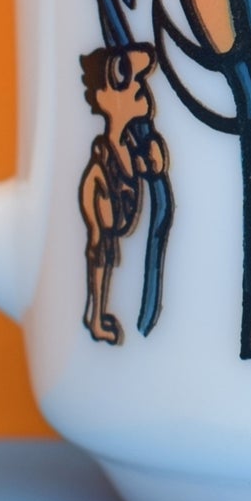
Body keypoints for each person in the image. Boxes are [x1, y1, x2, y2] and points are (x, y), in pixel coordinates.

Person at [78, 44, 167, 344]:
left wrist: (152, 160)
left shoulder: (130, 145)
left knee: (107, 248)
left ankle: (98, 316)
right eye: (123, 79)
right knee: (101, 248)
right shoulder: (103, 161)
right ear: (103, 98)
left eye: (139, 78)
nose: (139, 86)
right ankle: (96, 316)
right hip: (105, 194)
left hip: (124, 210)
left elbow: (145, 166)